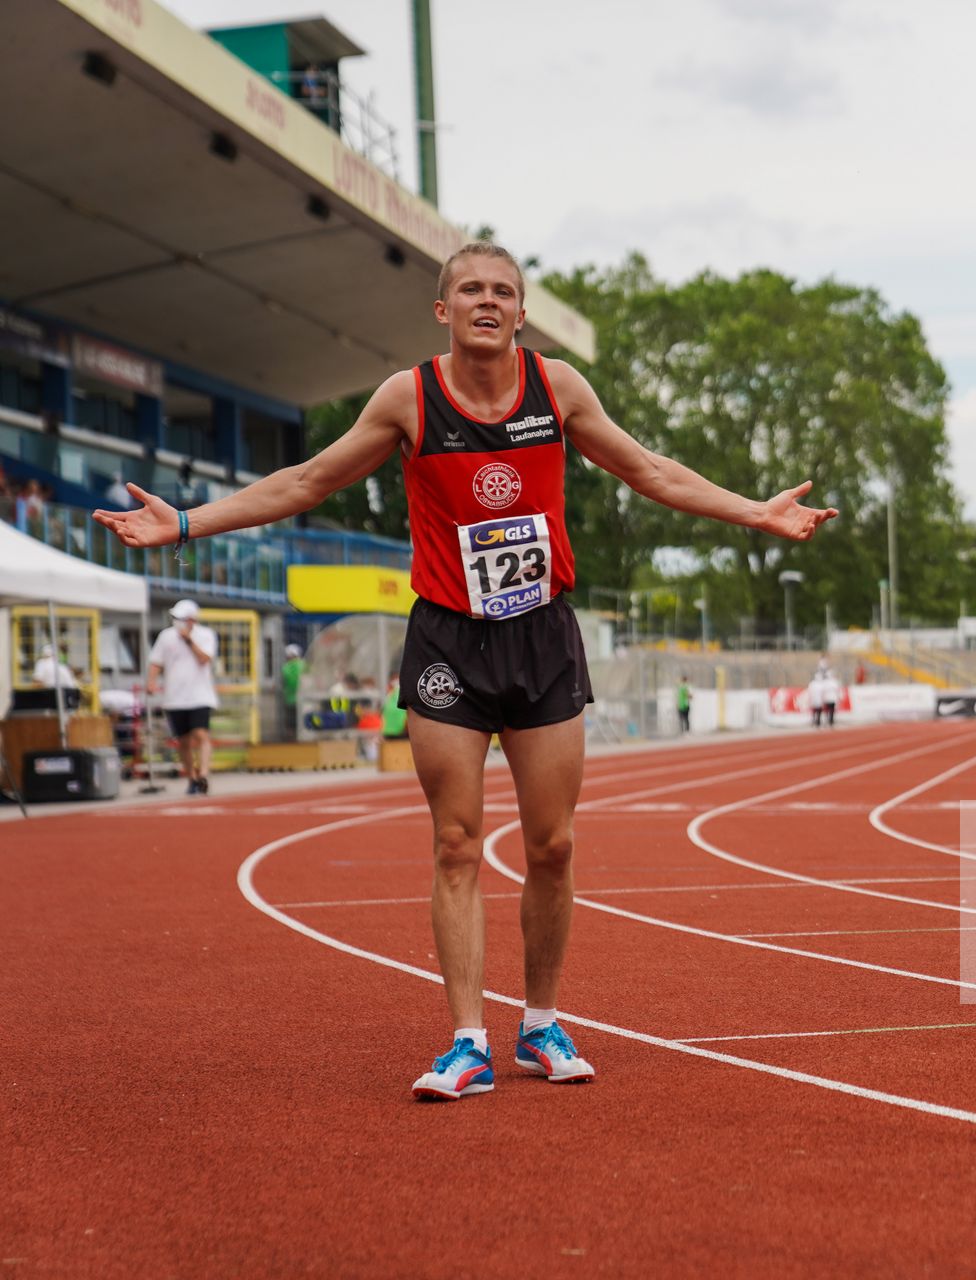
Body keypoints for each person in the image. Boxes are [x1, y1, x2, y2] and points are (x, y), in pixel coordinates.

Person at [93, 241, 836, 1101]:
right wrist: (185, 524)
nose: (489, 301)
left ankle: (543, 1021)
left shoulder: (557, 388)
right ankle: (467, 1039)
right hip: (449, 639)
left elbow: (648, 470)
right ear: (442, 311)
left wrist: (754, 512)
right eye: (471, 290)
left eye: (505, 292)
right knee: (456, 842)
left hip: (542, 634)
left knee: (553, 845)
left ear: (521, 313)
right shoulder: (410, 397)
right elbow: (306, 481)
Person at [148, 599, 219, 795]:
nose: (176, 622)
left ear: (191, 620)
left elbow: (205, 659)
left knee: (201, 734)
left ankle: (203, 773)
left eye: (181, 618)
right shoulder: (166, 636)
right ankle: (192, 778)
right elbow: (155, 661)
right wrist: (151, 682)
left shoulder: (205, 635)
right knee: (184, 741)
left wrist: (188, 640)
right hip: (175, 697)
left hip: (200, 695)